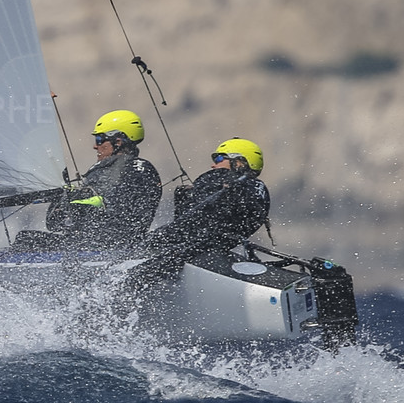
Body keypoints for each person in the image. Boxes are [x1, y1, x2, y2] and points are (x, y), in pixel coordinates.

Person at [123, 137, 271, 297]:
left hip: (196, 245)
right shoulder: (259, 190)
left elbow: (192, 219)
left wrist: (186, 195)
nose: (214, 164)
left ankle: (121, 292)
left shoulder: (230, 180)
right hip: (211, 244)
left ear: (239, 163)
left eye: (219, 158)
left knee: (133, 264)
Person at [15, 109, 162, 252]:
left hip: (98, 249)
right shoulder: (145, 169)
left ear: (117, 142)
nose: (95, 146)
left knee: (25, 239)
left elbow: (56, 223)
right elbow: (119, 209)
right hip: (128, 245)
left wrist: (69, 200)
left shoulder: (113, 170)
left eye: (99, 139)